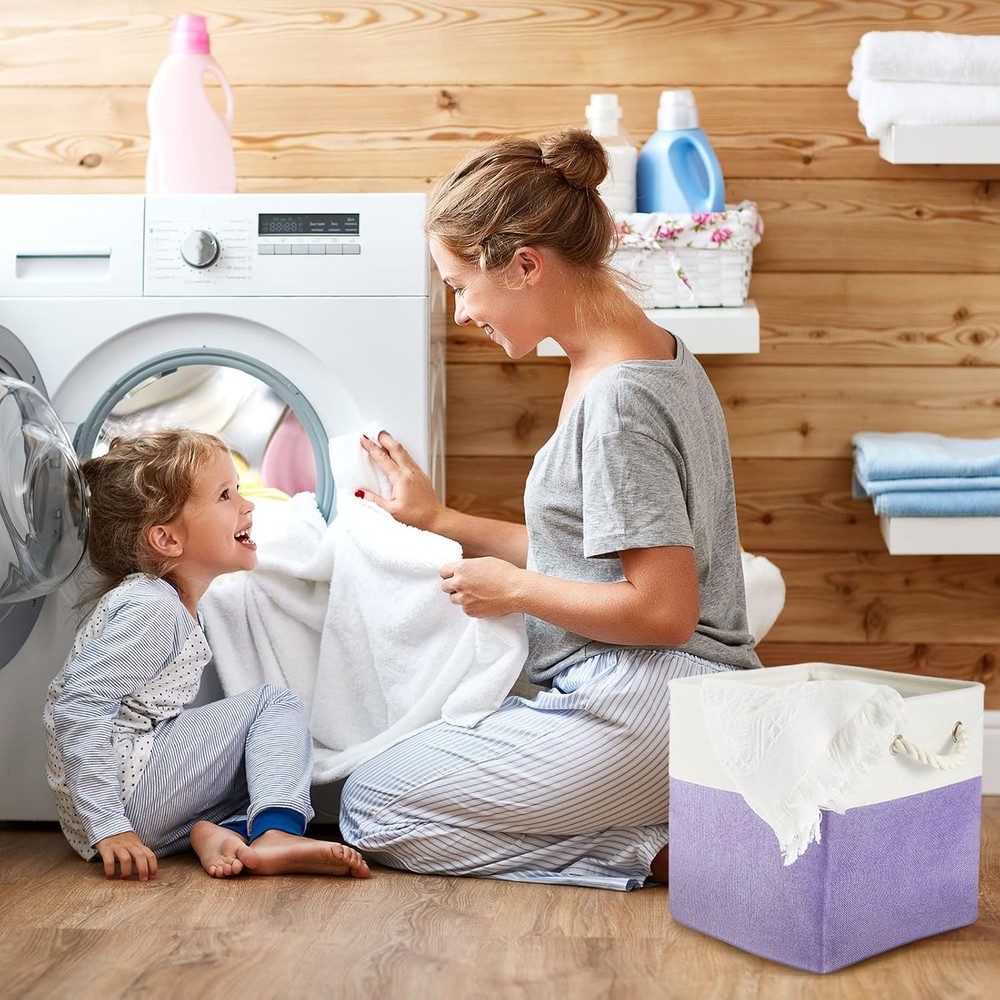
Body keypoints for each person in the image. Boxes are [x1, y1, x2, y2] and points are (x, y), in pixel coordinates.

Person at [338, 129, 761, 890]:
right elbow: (590, 552)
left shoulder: (618, 401)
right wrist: (441, 521)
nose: (462, 312)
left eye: (461, 284)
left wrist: (513, 590)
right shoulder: (647, 352)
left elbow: (663, 610)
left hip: (643, 705)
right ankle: (662, 830)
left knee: (368, 805)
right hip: (677, 700)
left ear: (527, 265)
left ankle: (661, 852)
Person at [44, 429, 370, 882]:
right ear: (167, 540)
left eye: (237, 489)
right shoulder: (151, 608)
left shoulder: (166, 602)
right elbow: (79, 707)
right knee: (273, 706)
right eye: (224, 495)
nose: (247, 504)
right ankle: (276, 834)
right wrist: (109, 825)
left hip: (124, 801)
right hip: (121, 798)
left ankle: (213, 833)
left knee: (263, 762)